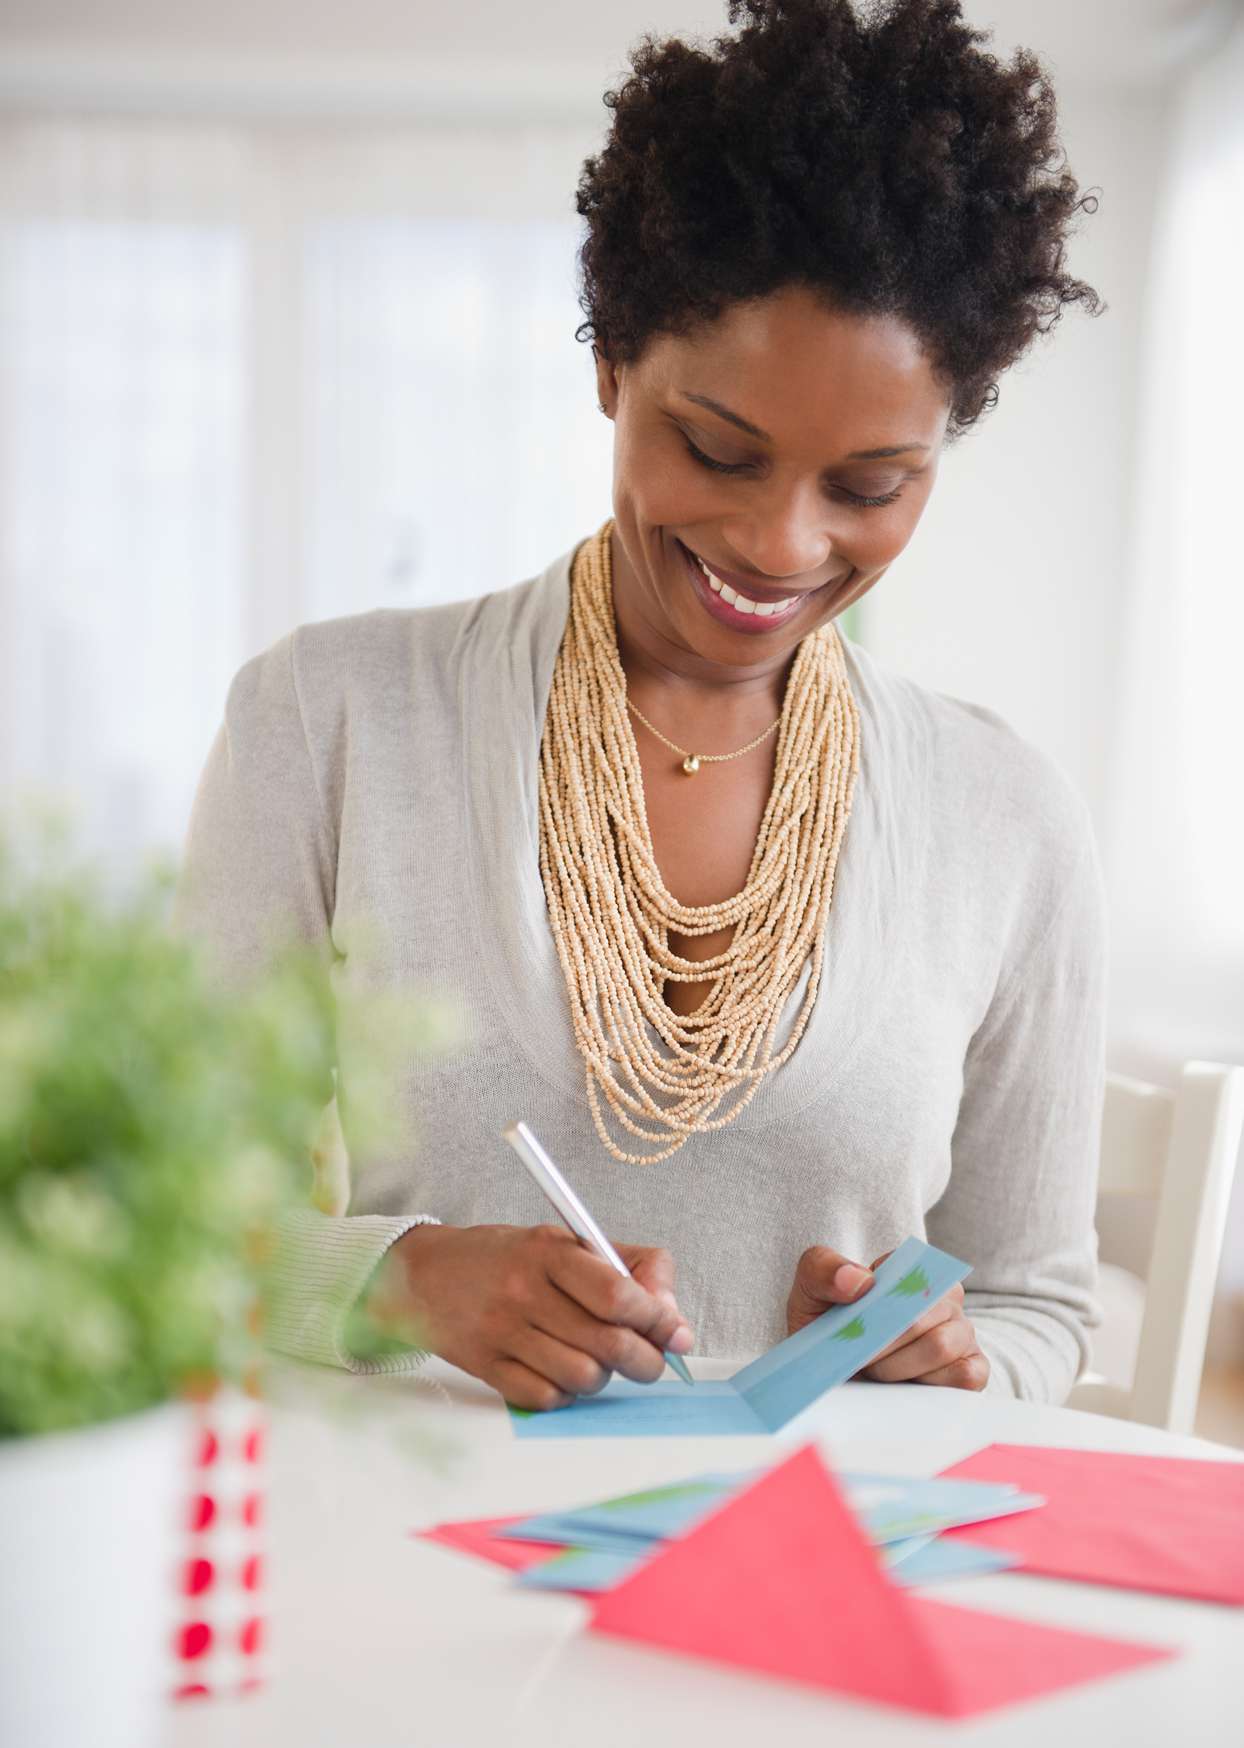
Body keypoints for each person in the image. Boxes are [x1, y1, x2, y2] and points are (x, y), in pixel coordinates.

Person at [174, 0, 1109, 1410]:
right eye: (717, 449)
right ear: (612, 360)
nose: (782, 546)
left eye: (868, 487)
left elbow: (1036, 1299)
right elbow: (165, 1234)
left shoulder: (1009, 818)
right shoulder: (328, 724)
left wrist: (955, 1360)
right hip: (428, 1565)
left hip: (823, 1582)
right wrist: (404, 1279)